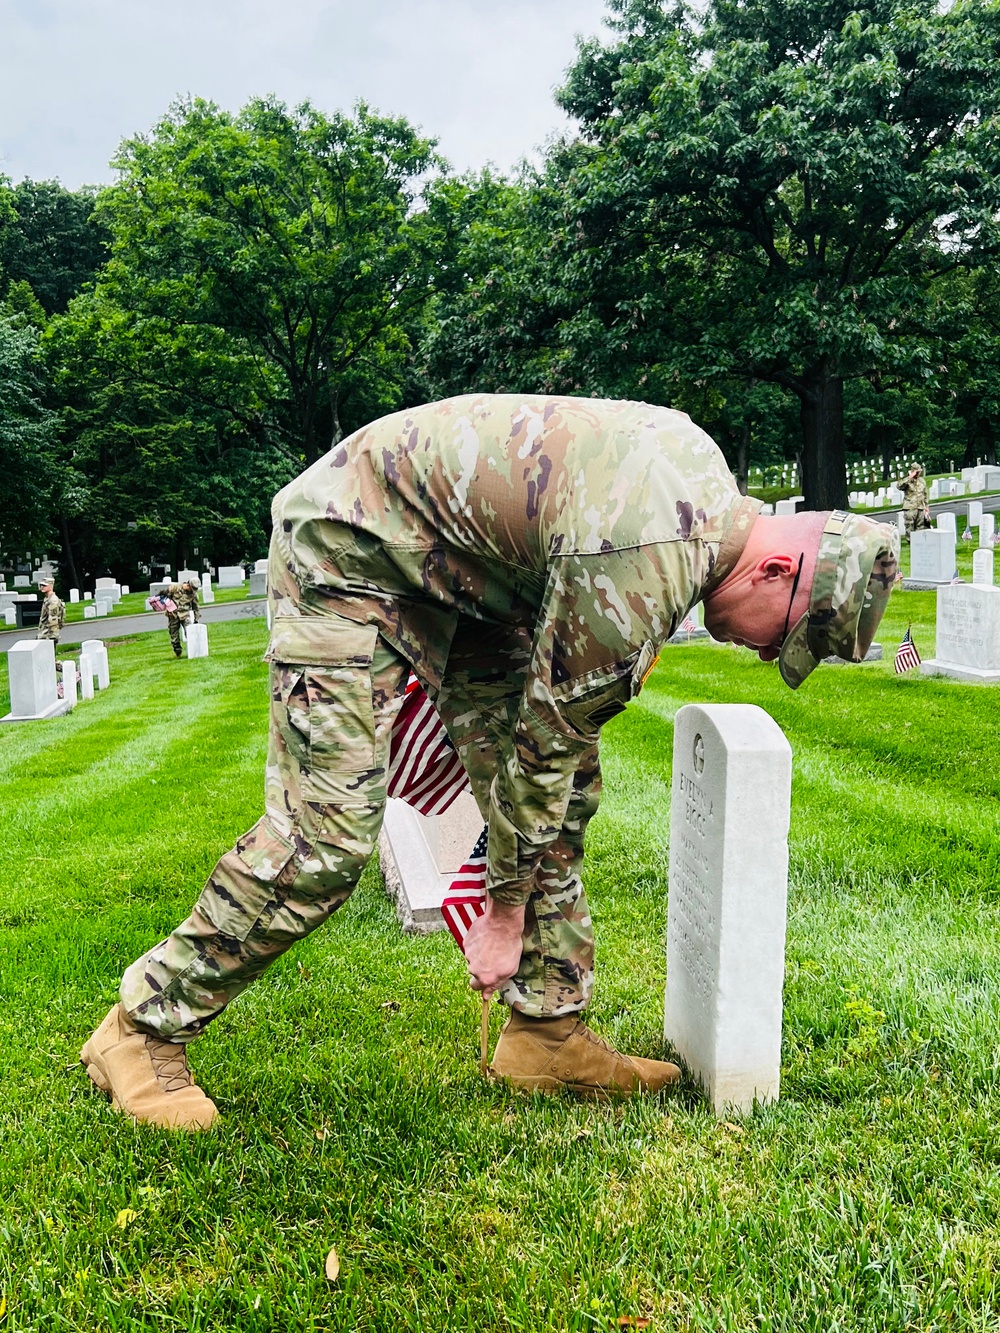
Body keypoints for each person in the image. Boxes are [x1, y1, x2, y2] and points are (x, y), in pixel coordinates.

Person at [81, 394, 899, 1130]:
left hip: (466, 578)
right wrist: (501, 911)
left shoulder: (700, 491)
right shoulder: (648, 556)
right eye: (781, 640)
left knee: (564, 792)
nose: (764, 655)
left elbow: (557, 758)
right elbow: (543, 746)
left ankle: (546, 1033)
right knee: (325, 835)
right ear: (778, 569)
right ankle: (143, 1026)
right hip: (351, 549)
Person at [162, 577, 201, 658]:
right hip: (173, 615)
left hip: (185, 615)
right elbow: (165, 598)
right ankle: (178, 652)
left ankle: (193, 651)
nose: (192, 591)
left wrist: (196, 620)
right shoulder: (174, 588)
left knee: (190, 632)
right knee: (174, 637)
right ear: (188, 585)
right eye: (191, 589)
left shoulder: (193, 594)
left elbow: (196, 607)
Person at [897, 464, 931, 539]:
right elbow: (899, 486)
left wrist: (926, 506)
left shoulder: (922, 481)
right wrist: (910, 477)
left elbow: (925, 494)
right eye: (917, 472)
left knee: (920, 526)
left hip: (920, 507)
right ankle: (910, 541)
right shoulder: (907, 480)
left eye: (919, 472)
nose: (919, 473)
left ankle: (919, 540)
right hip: (910, 507)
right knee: (909, 525)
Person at [36, 575, 65, 652]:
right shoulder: (47, 599)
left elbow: (53, 621)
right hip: (45, 633)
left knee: (49, 658)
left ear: (51, 586)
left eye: (44, 585)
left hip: (49, 635)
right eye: (41, 585)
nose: (42, 587)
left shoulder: (53, 601)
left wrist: (45, 636)